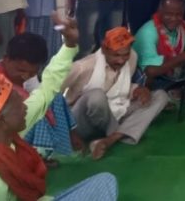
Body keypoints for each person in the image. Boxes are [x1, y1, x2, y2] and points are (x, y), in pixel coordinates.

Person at [0, 15, 119, 201]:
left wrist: (69, 45)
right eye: (18, 103)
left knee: (104, 182)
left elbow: (47, 88)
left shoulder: (7, 133)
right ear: (1, 118)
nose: (25, 105)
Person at [63, 26, 168, 160]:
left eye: (125, 55)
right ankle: (122, 131)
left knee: (160, 96)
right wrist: (70, 132)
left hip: (114, 113)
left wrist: (137, 89)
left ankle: (110, 140)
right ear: (104, 49)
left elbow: (119, 88)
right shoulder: (82, 67)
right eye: (116, 55)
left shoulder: (132, 57)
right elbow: (51, 96)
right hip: (81, 122)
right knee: (96, 96)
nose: (121, 60)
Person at [0, 32, 83, 167]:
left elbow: (47, 89)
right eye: (21, 70)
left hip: (16, 134)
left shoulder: (26, 79)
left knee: (54, 99)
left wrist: (69, 47)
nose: (25, 76)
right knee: (39, 116)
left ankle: (59, 151)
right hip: (3, 141)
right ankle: (41, 155)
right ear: (6, 59)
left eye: (32, 73)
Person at [132, 0, 185, 94]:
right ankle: (153, 94)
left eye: (178, 14)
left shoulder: (182, 27)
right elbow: (150, 71)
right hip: (143, 77)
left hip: (167, 70)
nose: (174, 18)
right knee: (150, 76)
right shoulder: (149, 32)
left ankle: (176, 90)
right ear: (160, 12)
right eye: (168, 14)